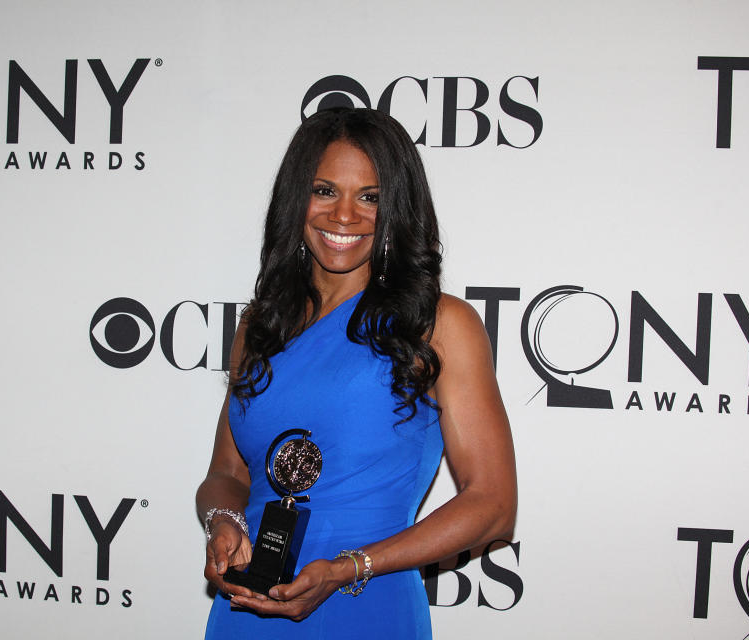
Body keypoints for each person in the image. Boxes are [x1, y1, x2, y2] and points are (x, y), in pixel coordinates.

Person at [196, 107, 516, 639]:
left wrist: (350, 568)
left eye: (370, 197)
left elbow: (494, 505)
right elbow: (227, 475)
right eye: (324, 190)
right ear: (296, 198)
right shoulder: (259, 326)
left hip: (366, 606)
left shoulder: (438, 324)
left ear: (396, 209)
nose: (344, 215)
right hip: (247, 613)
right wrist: (224, 521)